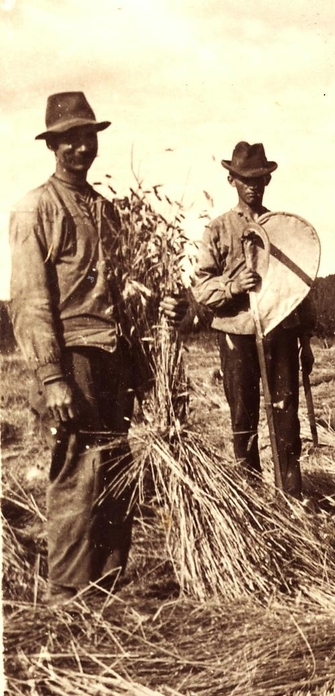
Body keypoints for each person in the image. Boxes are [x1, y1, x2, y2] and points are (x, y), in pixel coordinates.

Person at [9, 92, 136, 604]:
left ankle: (105, 589)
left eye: (89, 136)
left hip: (113, 357)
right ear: (53, 145)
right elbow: (30, 300)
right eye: (70, 139)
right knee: (76, 473)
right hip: (73, 358)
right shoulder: (35, 207)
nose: (82, 147)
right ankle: (65, 597)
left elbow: (128, 292)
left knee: (115, 471)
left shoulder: (107, 211)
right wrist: (53, 376)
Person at [192, 141, 314, 498]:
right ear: (231, 179)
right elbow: (202, 286)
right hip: (237, 334)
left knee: (285, 416)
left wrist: (305, 340)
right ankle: (251, 500)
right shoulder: (218, 230)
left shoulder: (283, 228)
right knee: (242, 419)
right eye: (246, 178)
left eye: (260, 178)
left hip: (281, 333)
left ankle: (290, 497)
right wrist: (232, 286)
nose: (253, 185)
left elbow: (302, 285)